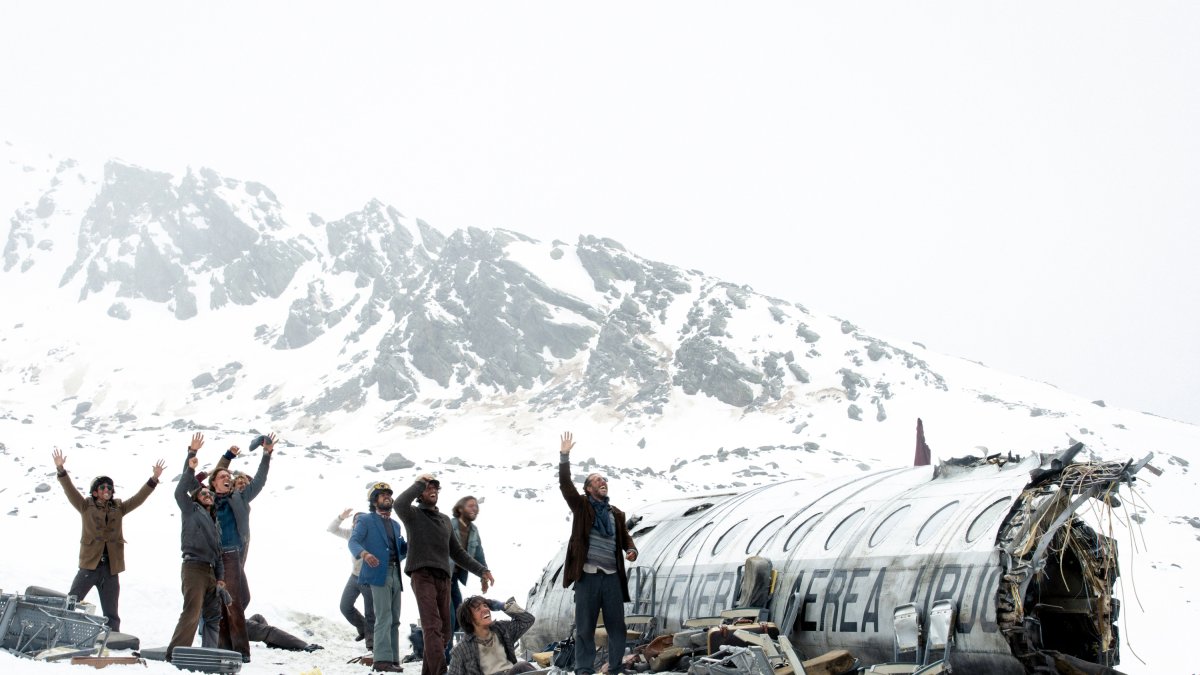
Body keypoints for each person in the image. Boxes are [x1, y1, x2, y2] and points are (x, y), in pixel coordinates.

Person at [51, 447, 165, 632]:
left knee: (111, 612)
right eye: (103, 487)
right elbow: (69, 490)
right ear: (95, 492)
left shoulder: (118, 508)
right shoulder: (85, 506)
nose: (107, 489)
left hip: (110, 568)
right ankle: (57, 632)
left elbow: (138, 499)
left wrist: (153, 479)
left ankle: (113, 641)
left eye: (110, 487)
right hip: (89, 565)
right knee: (71, 601)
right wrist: (61, 470)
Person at [394, 474, 495, 675]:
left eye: (435, 488)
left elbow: (457, 553)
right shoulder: (412, 514)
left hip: (444, 578)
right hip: (422, 575)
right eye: (427, 488)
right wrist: (419, 483)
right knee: (432, 627)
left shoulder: (444, 521)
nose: (432, 490)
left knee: (446, 632)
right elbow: (399, 503)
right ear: (419, 494)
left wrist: (482, 570)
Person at [558, 432, 638, 675]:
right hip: (588, 576)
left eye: (604, 480)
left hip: (612, 577)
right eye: (596, 480)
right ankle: (583, 669)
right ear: (588, 488)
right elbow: (565, 485)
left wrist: (631, 549)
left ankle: (614, 668)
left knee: (617, 627)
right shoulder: (581, 506)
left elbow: (624, 537)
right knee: (585, 628)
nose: (602, 482)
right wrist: (564, 456)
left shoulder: (616, 513)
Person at [208, 431, 275, 662]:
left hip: (234, 555)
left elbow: (259, 480)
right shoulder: (206, 498)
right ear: (214, 482)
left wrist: (266, 455)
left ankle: (224, 642)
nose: (227, 478)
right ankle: (240, 651)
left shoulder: (239, 497)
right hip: (218, 556)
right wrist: (226, 458)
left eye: (229, 476)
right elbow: (207, 477)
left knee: (240, 598)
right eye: (222, 476)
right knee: (234, 602)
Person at [167, 433, 227, 661]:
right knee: (192, 613)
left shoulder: (215, 522)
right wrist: (191, 458)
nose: (207, 494)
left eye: (209, 493)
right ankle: (174, 654)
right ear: (196, 498)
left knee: (213, 615)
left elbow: (218, 553)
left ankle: (209, 653)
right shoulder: (190, 510)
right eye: (202, 493)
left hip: (210, 570)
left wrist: (220, 577)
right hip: (193, 567)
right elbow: (179, 490)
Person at [350, 482, 409, 673]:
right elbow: (354, 541)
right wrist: (365, 555)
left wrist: (410, 547)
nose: (387, 497)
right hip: (378, 575)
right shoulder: (366, 520)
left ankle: (392, 658)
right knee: (383, 616)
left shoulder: (396, 525)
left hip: (395, 573)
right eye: (382, 495)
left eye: (388, 495)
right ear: (374, 500)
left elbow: (400, 552)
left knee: (395, 618)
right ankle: (381, 660)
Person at [447, 596, 535, 675]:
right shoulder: (461, 649)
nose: (485, 609)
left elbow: (527, 620)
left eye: (485, 605)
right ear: (469, 619)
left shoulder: (502, 629)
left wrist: (504, 606)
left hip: (510, 672)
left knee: (522, 666)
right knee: (521, 666)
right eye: (478, 609)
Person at [448, 496, 489, 660]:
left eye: (476, 506)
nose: (475, 509)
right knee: (449, 616)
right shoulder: (448, 525)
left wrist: (484, 575)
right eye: (471, 506)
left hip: (455, 577)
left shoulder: (474, 530)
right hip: (443, 575)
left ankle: (451, 651)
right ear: (460, 509)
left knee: (459, 615)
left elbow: (479, 554)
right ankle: (447, 656)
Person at [330, 507, 375, 651]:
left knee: (370, 612)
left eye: (361, 520)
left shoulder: (372, 535)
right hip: (354, 577)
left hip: (369, 578)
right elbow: (331, 529)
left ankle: (371, 642)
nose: (358, 523)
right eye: (356, 520)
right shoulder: (350, 534)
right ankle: (363, 628)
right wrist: (341, 517)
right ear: (353, 524)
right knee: (345, 606)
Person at [246, 614, 323, 652]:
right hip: (235, 627)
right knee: (269, 631)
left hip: (236, 624)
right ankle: (301, 645)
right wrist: (304, 645)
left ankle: (272, 643)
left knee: (258, 617)